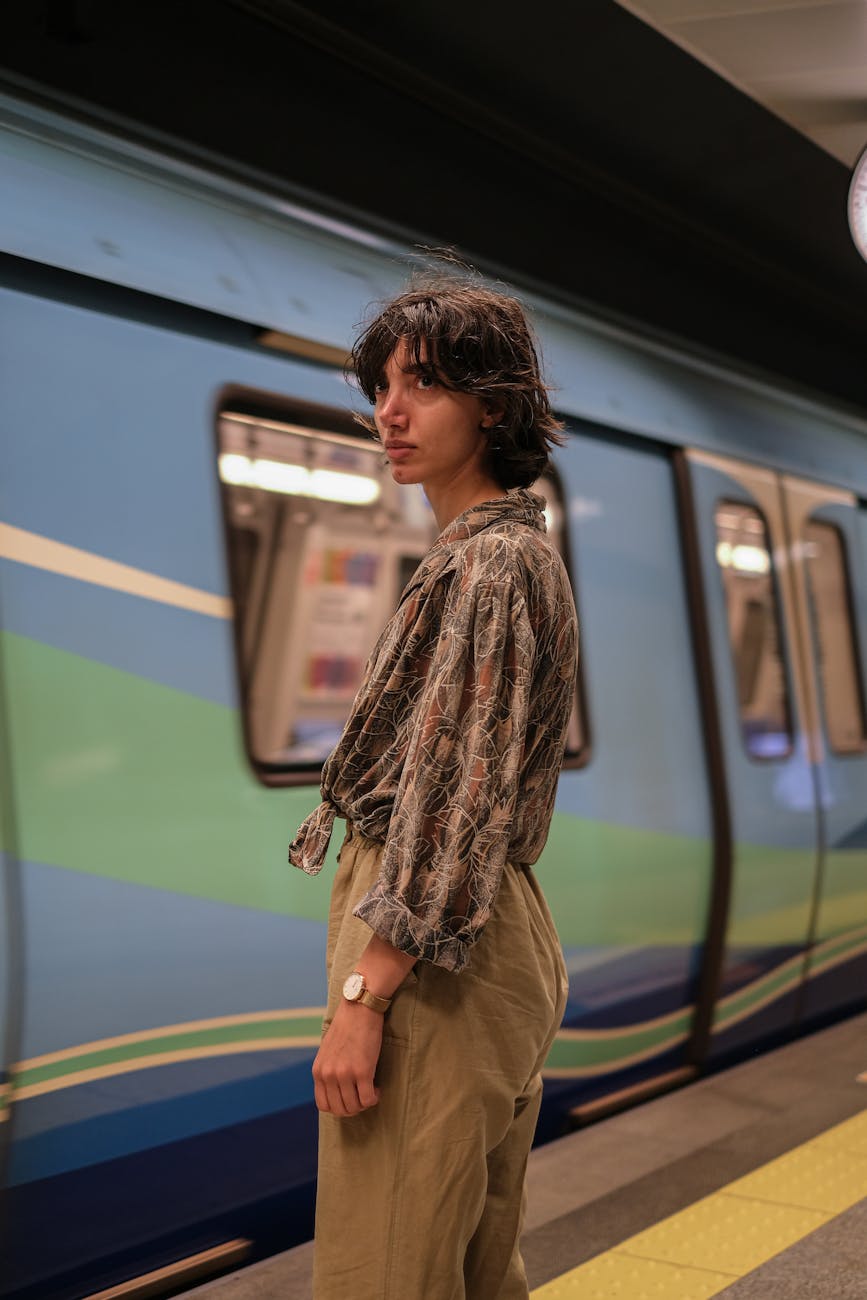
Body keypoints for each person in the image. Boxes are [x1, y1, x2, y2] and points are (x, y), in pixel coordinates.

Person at [288, 274, 578, 1300]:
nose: (390, 413)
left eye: (425, 386)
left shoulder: (488, 568)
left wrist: (364, 996)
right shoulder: (506, 552)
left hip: (434, 966)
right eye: (382, 388)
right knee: (471, 1267)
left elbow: (455, 797)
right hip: (482, 945)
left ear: (491, 406)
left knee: (390, 1273)